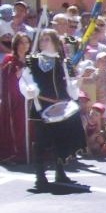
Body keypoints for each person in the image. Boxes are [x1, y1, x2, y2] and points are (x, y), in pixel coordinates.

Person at [19, 29, 86, 190]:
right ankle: (40, 175)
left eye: (47, 39)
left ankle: (60, 172)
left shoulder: (64, 62)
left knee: (61, 140)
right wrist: (30, 89)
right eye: (41, 40)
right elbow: (25, 79)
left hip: (62, 108)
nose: (43, 42)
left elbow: (70, 86)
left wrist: (78, 82)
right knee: (41, 142)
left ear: (56, 42)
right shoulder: (32, 60)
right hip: (42, 107)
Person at [0, 33, 30, 164]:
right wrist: (17, 73)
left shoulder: (31, 59)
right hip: (14, 98)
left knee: (27, 125)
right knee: (15, 124)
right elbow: (6, 76)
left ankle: (28, 151)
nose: (24, 45)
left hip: (28, 97)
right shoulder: (9, 58)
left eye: (27, 42)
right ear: (16, 44)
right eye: (21, 42)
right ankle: (15, 153)